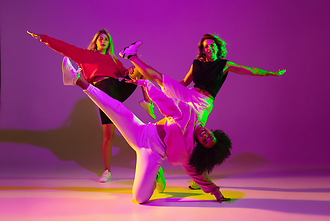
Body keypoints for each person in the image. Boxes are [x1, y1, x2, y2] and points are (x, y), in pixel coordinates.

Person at [61, 50, 232, 203]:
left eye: (204, 141)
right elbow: (167, 104)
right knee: (115, 108)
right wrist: (145, 85)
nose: (205, 136)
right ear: (212, 131)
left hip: (151, 154)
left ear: (200, 146)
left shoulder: (187, 151)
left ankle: (155, 175)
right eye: (210, 136)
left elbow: (197, 174)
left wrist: (216, 193)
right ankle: (76, 79)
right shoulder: (190, 115)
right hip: (141, 131)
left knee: (140, 198)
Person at [123, 34, 286, 189]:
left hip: (202, 104)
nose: (209, 48)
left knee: (191, 136)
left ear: (217, 47)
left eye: (212, 45)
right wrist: (171, 86)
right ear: (203, 49)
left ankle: (196, 176)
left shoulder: (224, 65)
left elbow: (249, 70)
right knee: (160, 78)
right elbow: (185, 82)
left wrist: (271, 73)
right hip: (190, 93)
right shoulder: (196, 64)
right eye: (206, 46)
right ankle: (131, 55)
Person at [27, 30, 145, 183]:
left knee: (140, 70)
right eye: (100, 39)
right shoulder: (84, 55)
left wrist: (130, 70)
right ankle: (107, 171)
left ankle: (147, 101)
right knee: (109, 135)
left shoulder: (114, 60)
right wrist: (45, 38)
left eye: (106, 39)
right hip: (102, 92)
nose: (103, 41)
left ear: (109, 43)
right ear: (95, 41)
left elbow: (124, 73)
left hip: (117, 90)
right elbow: (65, 47)